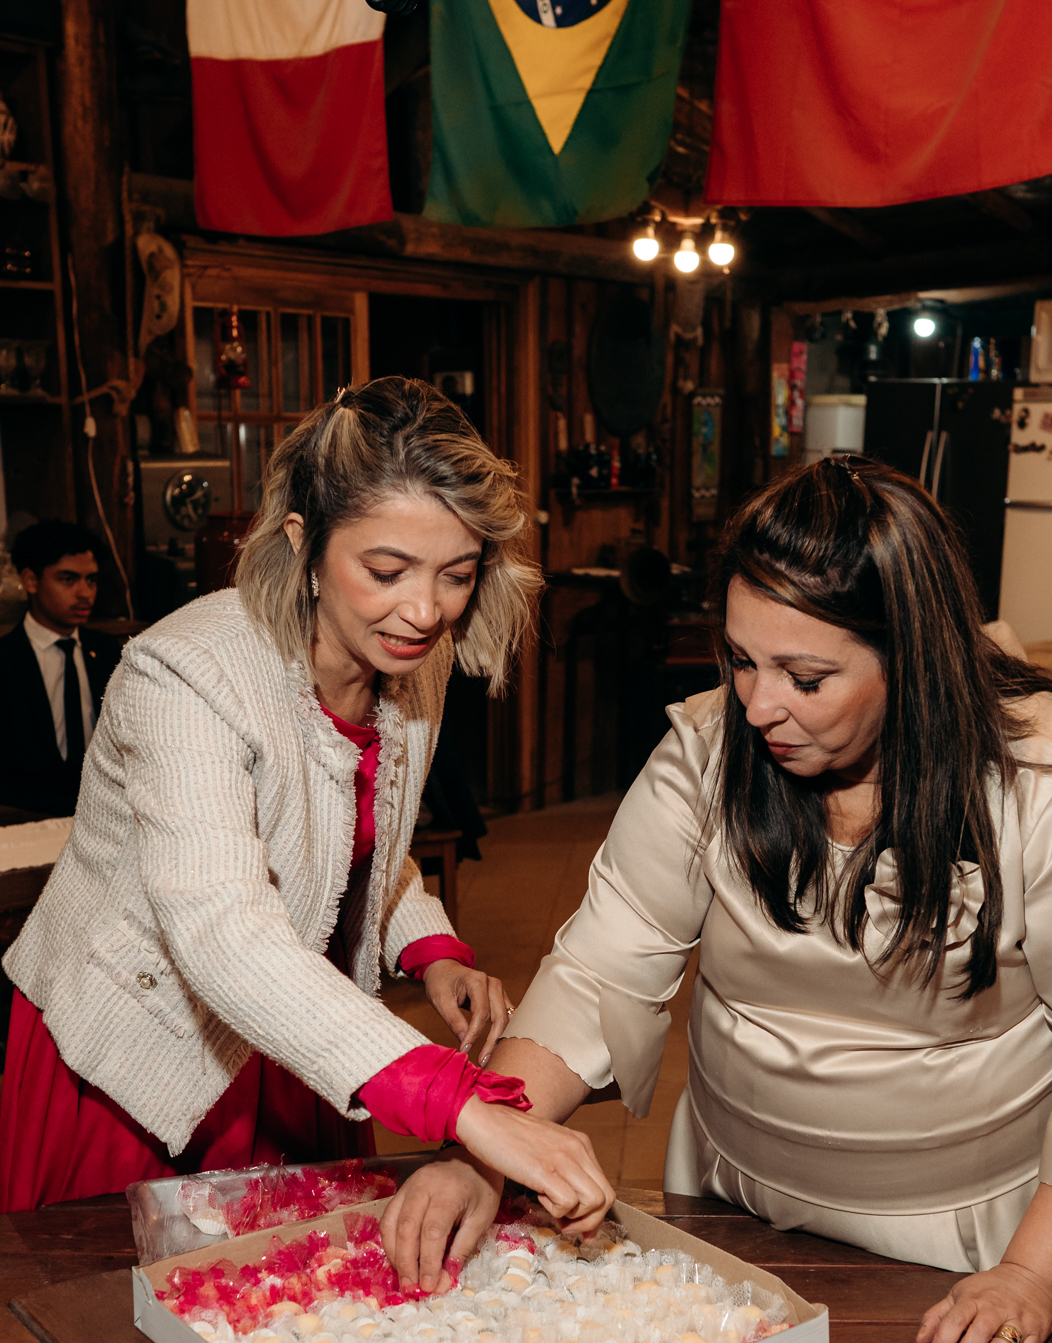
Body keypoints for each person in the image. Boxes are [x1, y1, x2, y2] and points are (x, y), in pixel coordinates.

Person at [380, 456, 1052, 1343]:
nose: (757, 704)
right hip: (742, 1207)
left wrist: (1032, 1279)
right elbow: (598, 969)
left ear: (913, 659)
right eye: (739, 659)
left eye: (806, 677)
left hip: (987, 1242)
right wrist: (487, 1144)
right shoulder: (705, 753)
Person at [0, 377, 612, 1240]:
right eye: (386, 570)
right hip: (138, 1053)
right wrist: (458, 1100)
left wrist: (428, 947)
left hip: (295, 1036)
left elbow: (343, 828)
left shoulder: (409, 656)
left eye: (457, 574)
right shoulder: (184, 672)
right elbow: (222, 927)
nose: (425, 610)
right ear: (304, 541)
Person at [0, 519, 123, 816]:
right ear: (30, 581)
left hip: (105, 811)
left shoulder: (110, 653)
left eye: (91, 580)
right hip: (24, 815)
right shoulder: (5, 660)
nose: (85, 593)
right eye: (68, 579)